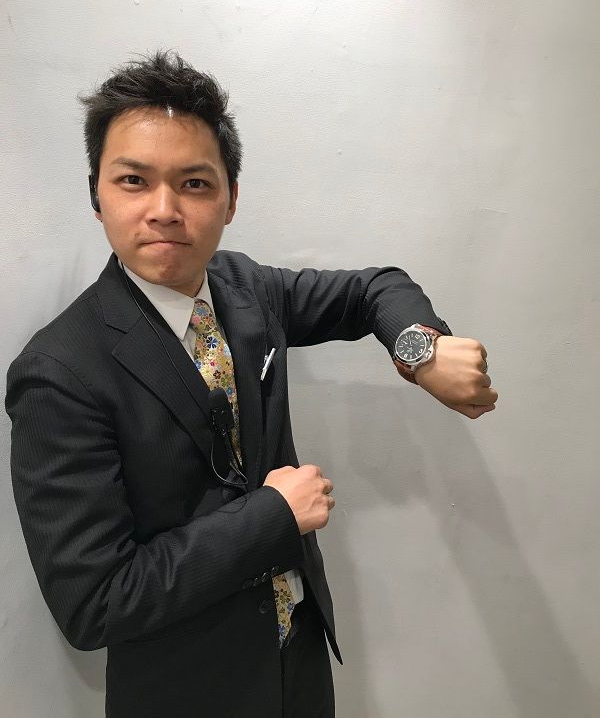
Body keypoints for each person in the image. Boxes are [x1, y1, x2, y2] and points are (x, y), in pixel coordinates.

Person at [5, 51, 498, 718]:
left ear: (231, 198)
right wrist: (273, 516)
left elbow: (372, 289)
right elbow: (94, 602)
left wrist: (421, 351)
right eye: (133, 180)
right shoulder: (58, 372)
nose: (164, 210)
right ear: (97, 194)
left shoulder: (245, 289)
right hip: (189, 692)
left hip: (300, 658)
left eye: (194, 183)